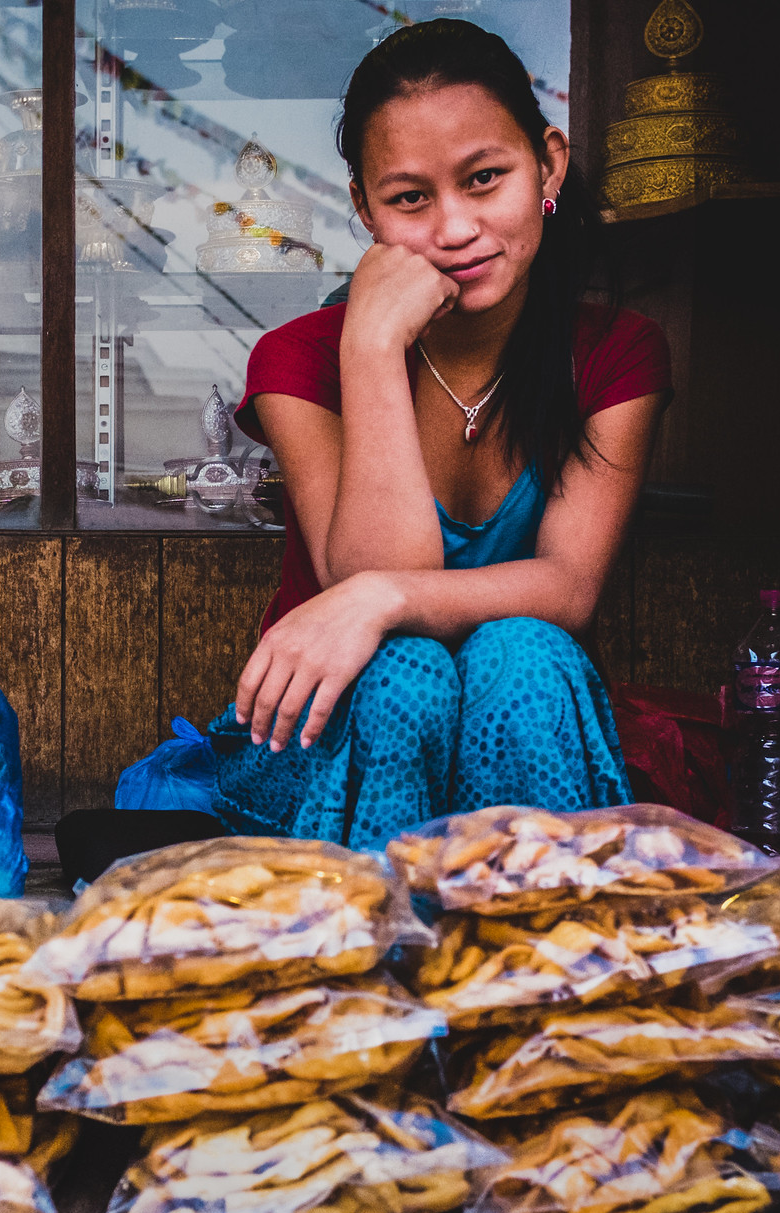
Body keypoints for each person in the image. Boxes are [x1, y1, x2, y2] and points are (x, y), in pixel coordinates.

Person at [201, 18, 671, 850]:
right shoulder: (300, 361)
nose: (453, 229)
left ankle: (532, 957)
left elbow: (566, 587)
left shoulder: (612, 353)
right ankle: (370, 953)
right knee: (402, 674)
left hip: (528, 741)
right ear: (363, 208)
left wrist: (381, 599)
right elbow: (376, 563)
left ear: (547, 165)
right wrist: (371, 344)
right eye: (410, 199)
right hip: (331, 751)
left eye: (484, 179)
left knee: (525, 652)